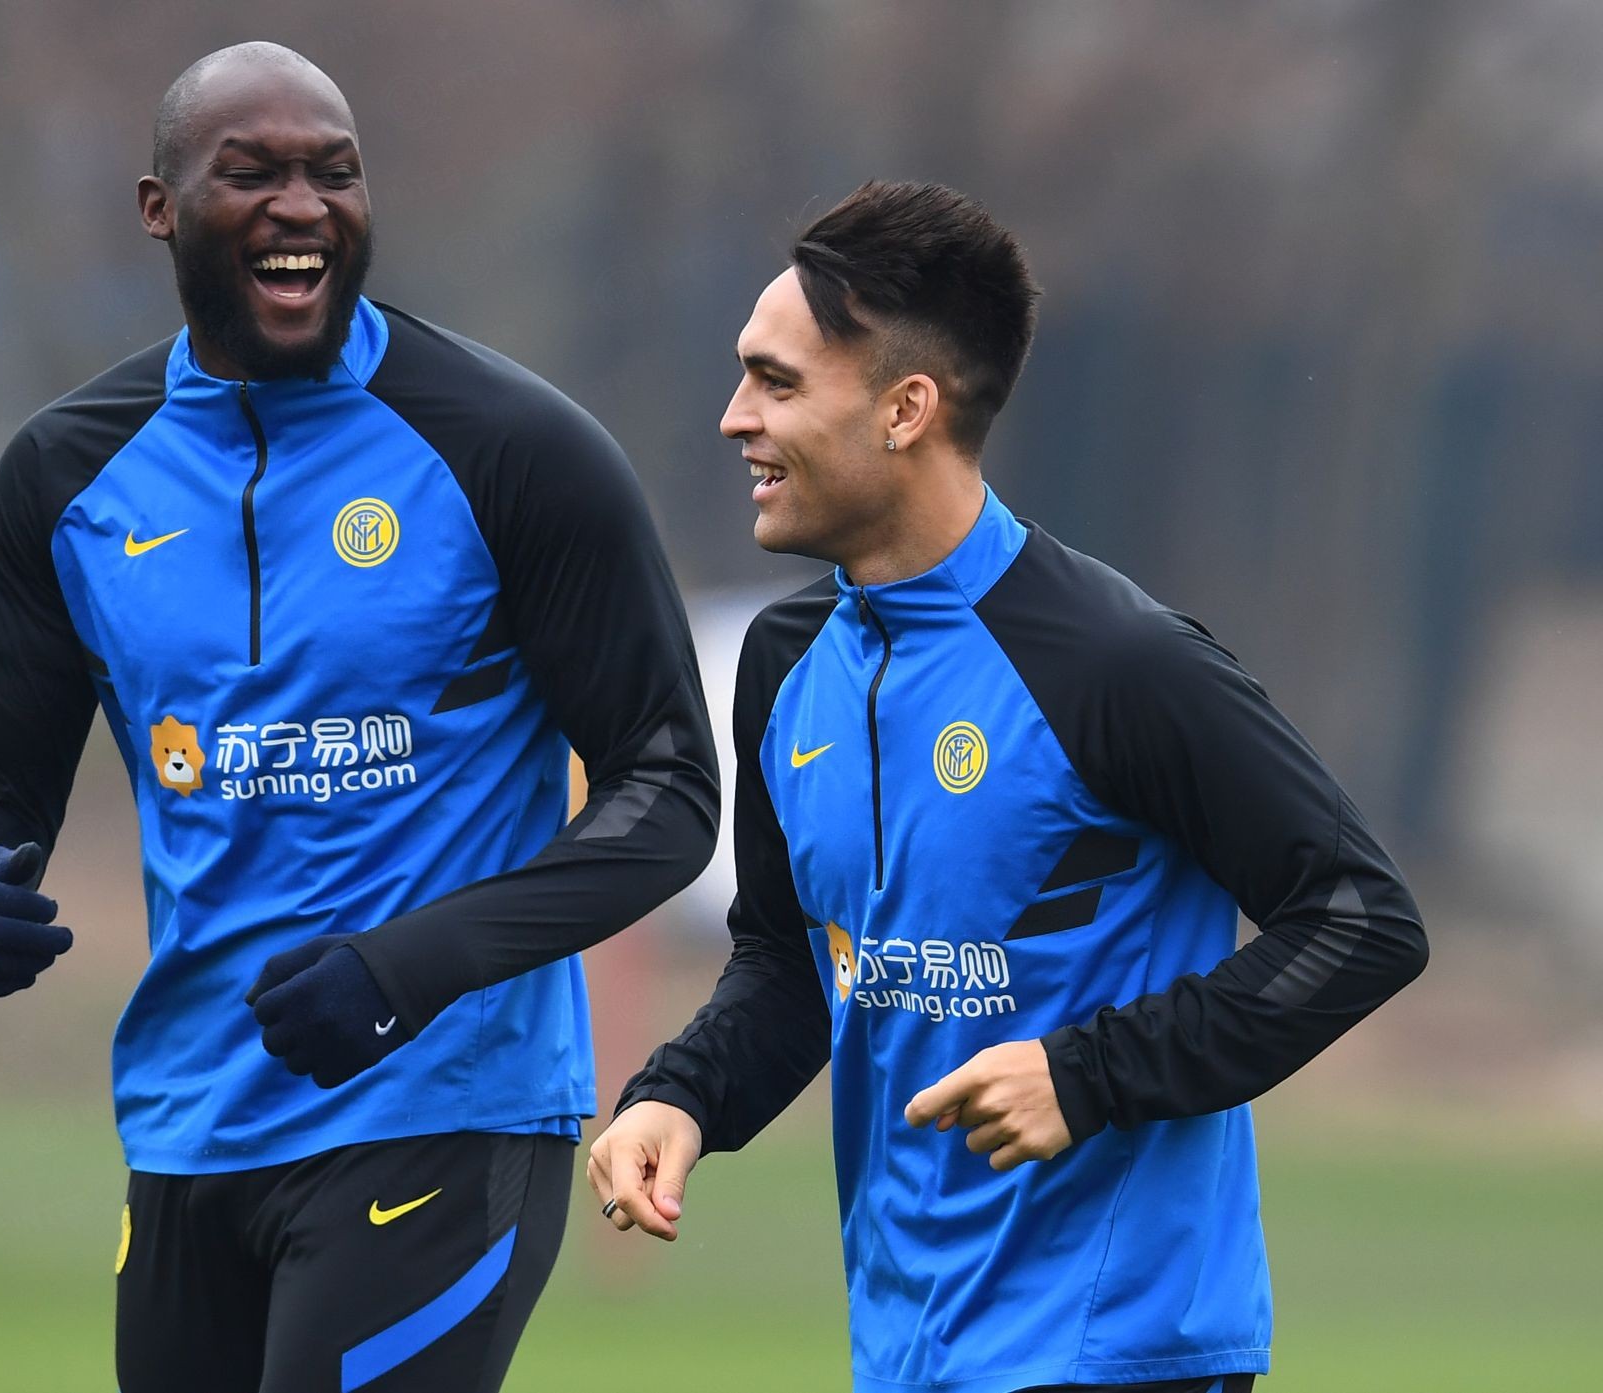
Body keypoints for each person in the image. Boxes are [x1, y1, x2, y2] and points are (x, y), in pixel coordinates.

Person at [0, 42, 717, 1393]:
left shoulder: (516, 450)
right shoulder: (66, 475)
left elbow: (669, 792)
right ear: (159, 208)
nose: (302, 206)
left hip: (445, 1113)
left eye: (334, 172)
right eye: (253, 173)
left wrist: (406, 971)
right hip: (189, 1128)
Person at [587, 181, 1428, 1393]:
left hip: (1120, 1351)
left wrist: (1088, 1076)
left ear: (904, 410)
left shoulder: (1116, 663)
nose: (734, 419)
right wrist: (682, 1096)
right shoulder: (783, 665)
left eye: (775, 382)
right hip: (904, 1351)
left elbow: (1358, 921)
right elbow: (793, 961)